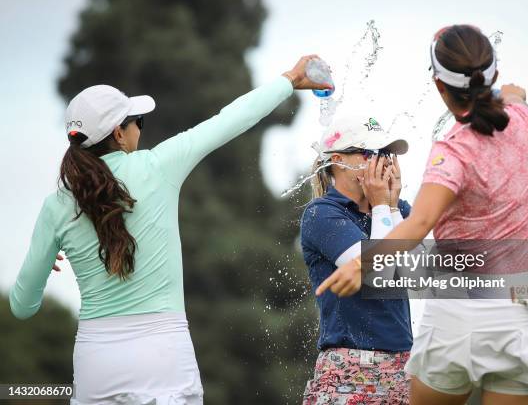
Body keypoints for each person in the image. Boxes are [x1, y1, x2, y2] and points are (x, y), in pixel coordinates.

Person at [9, 55, 331, 405]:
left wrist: (47, 263)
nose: (140, 129)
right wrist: (289, 79)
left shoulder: (55, 206)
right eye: (138, 121)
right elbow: (232, 119)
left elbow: (22, 306)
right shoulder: (159, 165)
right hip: (163, 354)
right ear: (119, 133)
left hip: (96, 363)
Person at [316, 25, 528, 405]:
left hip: (461, 314)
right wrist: (499, 88)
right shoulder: (522, 118)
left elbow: (421, 223)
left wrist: (361, 264)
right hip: (523, 309)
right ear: (492, 73)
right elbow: (515, 92)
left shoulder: (452, 150)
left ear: (439, 87)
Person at [301, 115, 413, 404]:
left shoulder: (398, 209)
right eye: (370, 153)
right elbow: (380, 278)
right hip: (349, 369)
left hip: (402, 366)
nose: (383, 162)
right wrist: (382, 207)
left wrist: (389, 206)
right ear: (339, 160)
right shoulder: (322, 213)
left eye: (385, 153)